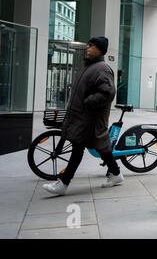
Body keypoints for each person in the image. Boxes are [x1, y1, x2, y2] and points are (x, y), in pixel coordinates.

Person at [43, 37, 124, 195]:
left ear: (100, 49)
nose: (87, 47)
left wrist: (88, 102)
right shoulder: (89, 67)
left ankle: (63, 183)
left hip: (90, 118)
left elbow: (108, 92)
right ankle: (116, 174)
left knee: (78, 148)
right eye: (87, 44)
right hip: (83, 116)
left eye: (91, 45)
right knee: (102, 149)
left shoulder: (102, 68)